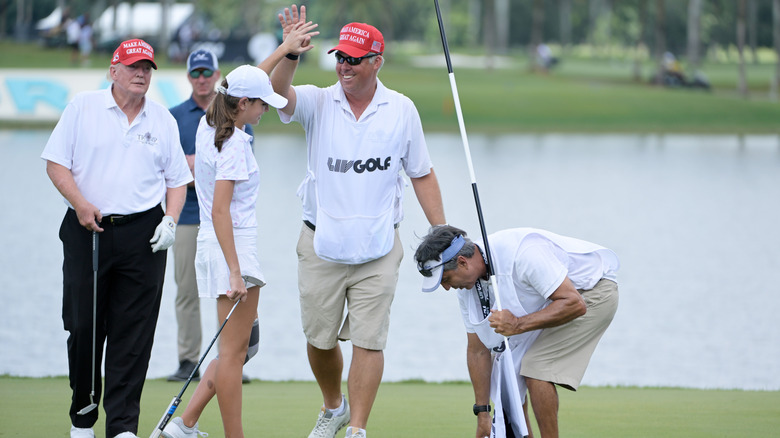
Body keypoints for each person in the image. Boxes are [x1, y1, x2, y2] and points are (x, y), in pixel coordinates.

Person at [270, 6, 446, 438]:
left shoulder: (401, 110)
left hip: (379, 246)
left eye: (354, 59)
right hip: (320, 243)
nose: (344, 66)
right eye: (340, 58)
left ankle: (358, 429)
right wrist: (289, 53)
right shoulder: (317, 100)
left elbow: (421, 173)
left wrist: (444, 234)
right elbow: (277, 95)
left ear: (376, 63)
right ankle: (334, 407)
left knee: (370, 340)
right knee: (320, 340)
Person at [161, 20, 318, 438]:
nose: (267, 108)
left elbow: (243, 81)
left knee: (239, 351)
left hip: (223, 250)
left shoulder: (214, 119)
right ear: (244, 104)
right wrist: (235, 271)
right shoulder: (231, 145)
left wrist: (285, 49)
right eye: (262, 104)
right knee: (233, 356)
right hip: (232, 251)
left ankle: (186, 424)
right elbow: (218, 212)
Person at [41, 39, 193, 438]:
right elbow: (56, 164)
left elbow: (177, 181)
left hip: (143, 235)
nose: (141, 74)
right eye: (133, 67)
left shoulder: (162, 120)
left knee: (134, 332)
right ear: (114, 70)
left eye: (147, 68)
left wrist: (171, 221)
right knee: (84, 326)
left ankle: (123, 427)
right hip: (86, 229)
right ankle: (83, 419)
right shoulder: (83, 108)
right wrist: (80, 203)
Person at [414, 225, 620, 438]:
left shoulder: (523, 254)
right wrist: (483, 414)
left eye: (445, 280)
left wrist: (518, 325)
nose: (447, 288)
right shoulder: (466, 288)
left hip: (591, 292)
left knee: (536, 368)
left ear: (462, 262)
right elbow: (477, 350)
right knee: (506, 376)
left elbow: (574, 304)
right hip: (548, 301)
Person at [167, 49, 257, 384]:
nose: (202, 79)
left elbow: (236, 173)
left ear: (218, 76)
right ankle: (190, 360)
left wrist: (195, 164)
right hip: (189, 214)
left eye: (208, 73)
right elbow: (170, 167)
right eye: (196, 73)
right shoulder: (178, 116)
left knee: (229, 294)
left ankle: (229, 360)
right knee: (188, 291)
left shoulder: (237, 116)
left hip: (221, 218)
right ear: (189, 77)